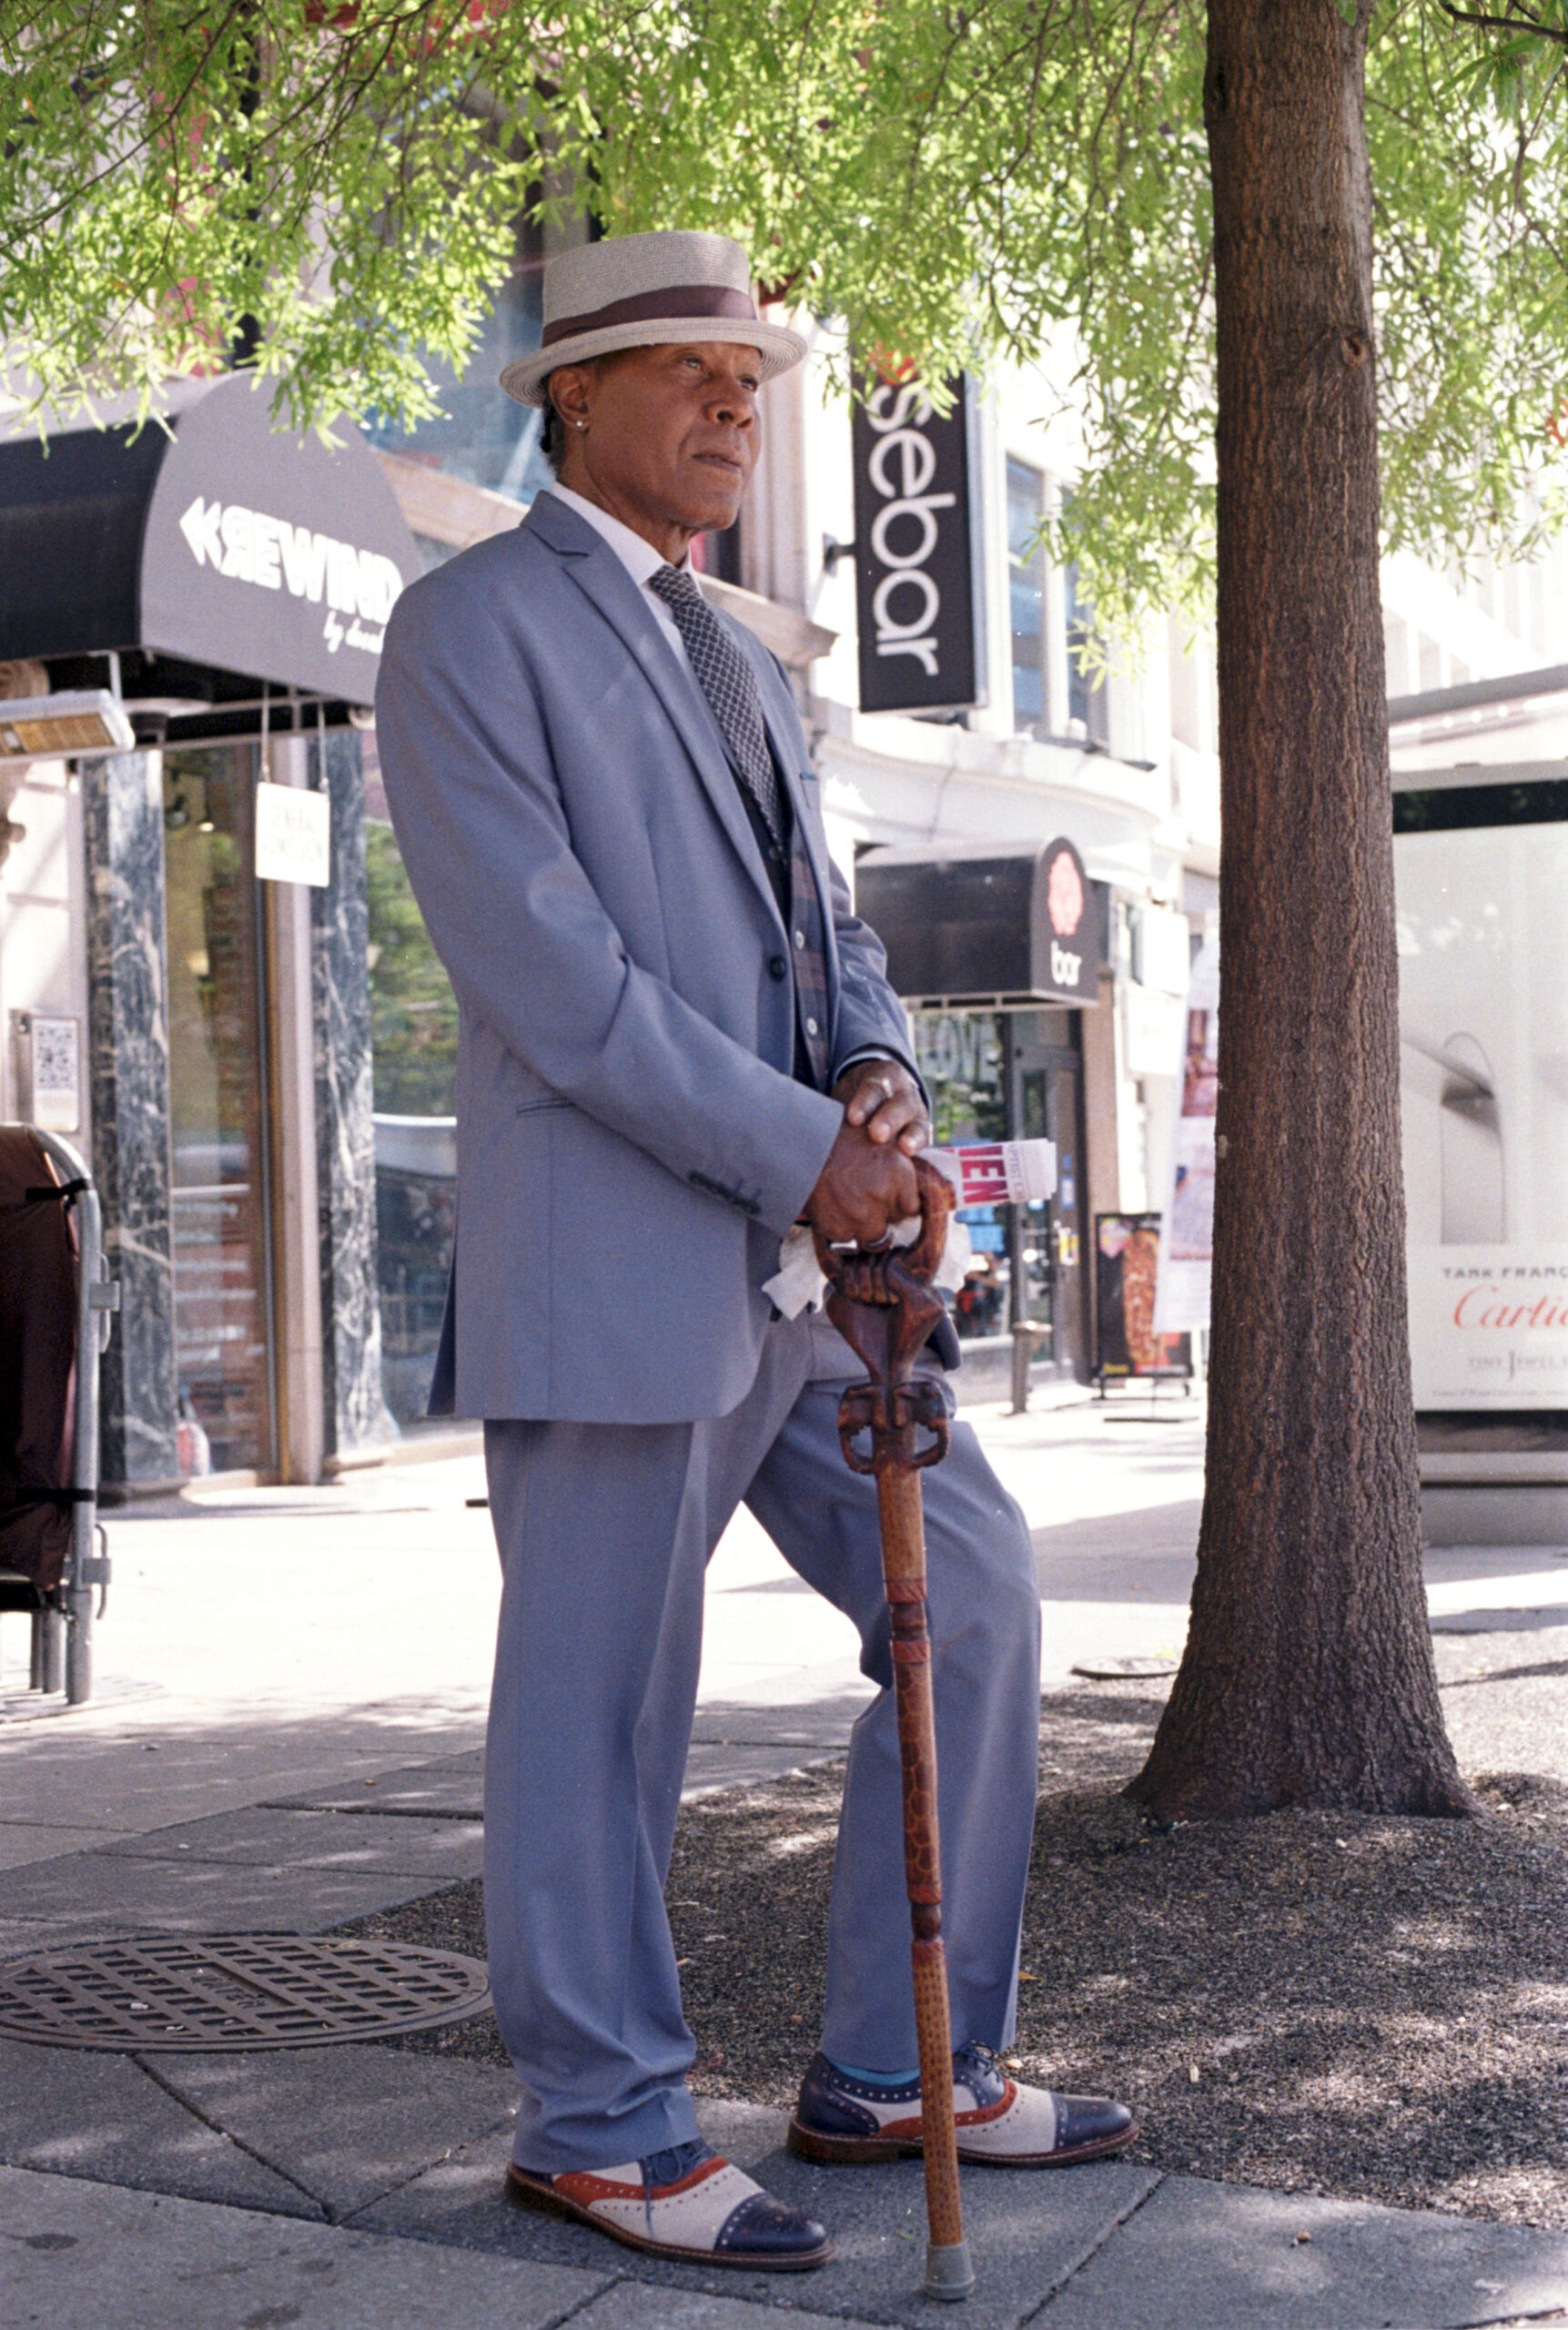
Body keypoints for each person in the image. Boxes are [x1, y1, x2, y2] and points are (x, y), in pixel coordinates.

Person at [375, 228, 1134, 2274]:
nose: (737, 404)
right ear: (573, 394)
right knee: (603, 1706)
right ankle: (600, 2123)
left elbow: (833, 930)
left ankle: (899, 2065)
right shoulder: (468, 628)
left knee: (978, 1601)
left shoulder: (739, 650)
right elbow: (559, 982)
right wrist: (809, 1154)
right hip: (621, 1268)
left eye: (752, 379)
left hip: (815, 1283)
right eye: (692, 371)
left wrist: (876, 1077)